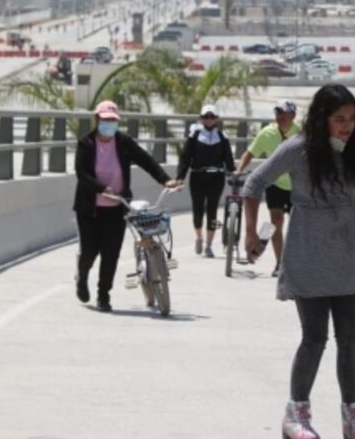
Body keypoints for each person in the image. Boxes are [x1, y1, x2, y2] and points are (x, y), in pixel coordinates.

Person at [241, 84, 355, 439]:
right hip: (307, 255)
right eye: (339, 120)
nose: (347, 127)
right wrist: (252, 233)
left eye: (351, 120)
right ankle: (295, 415)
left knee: (351, 339)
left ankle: (354, 419)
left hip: (349, 256)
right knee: (314, 338)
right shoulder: (298, 151)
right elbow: (254, 184)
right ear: (321, 119)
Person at [73, 101, 179, 312]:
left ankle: (104, 295)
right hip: (90, 207)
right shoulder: (86, 144)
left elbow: (145, 160)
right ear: (97, 120)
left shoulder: (123, 142)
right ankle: (82, 276)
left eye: (113, 120)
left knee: (111, 253)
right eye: (105, 120)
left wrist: (165, 179)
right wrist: (102, 188)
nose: (109, 124)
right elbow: (81, 174)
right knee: (90, 251)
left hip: (117, 207)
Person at [236, 99, 300, 277]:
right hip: (275, 184)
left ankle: (291, 261)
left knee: (297, 224)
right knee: (276, 221)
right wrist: (239, 170)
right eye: (277, 113)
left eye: (283, 113)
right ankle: (279, 262)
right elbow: (249, 153)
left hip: (297, 185)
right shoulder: (266, 133)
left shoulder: (301, 133)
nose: (280, 117)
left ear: (293, 116)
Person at [176, 105, 235, 257]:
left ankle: (209, 245)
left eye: (212, 117)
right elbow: (185, 158)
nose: (209, 120)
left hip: (216, 178)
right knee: (197, 210)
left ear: (216, 119)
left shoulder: (222, 137)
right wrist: (180, 178)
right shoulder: (195, 135)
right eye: (205, 117)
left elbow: (228, 159)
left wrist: (233, 174)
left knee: (212, 210)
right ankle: (199, 237)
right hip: (197, 176)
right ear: (201, 118)